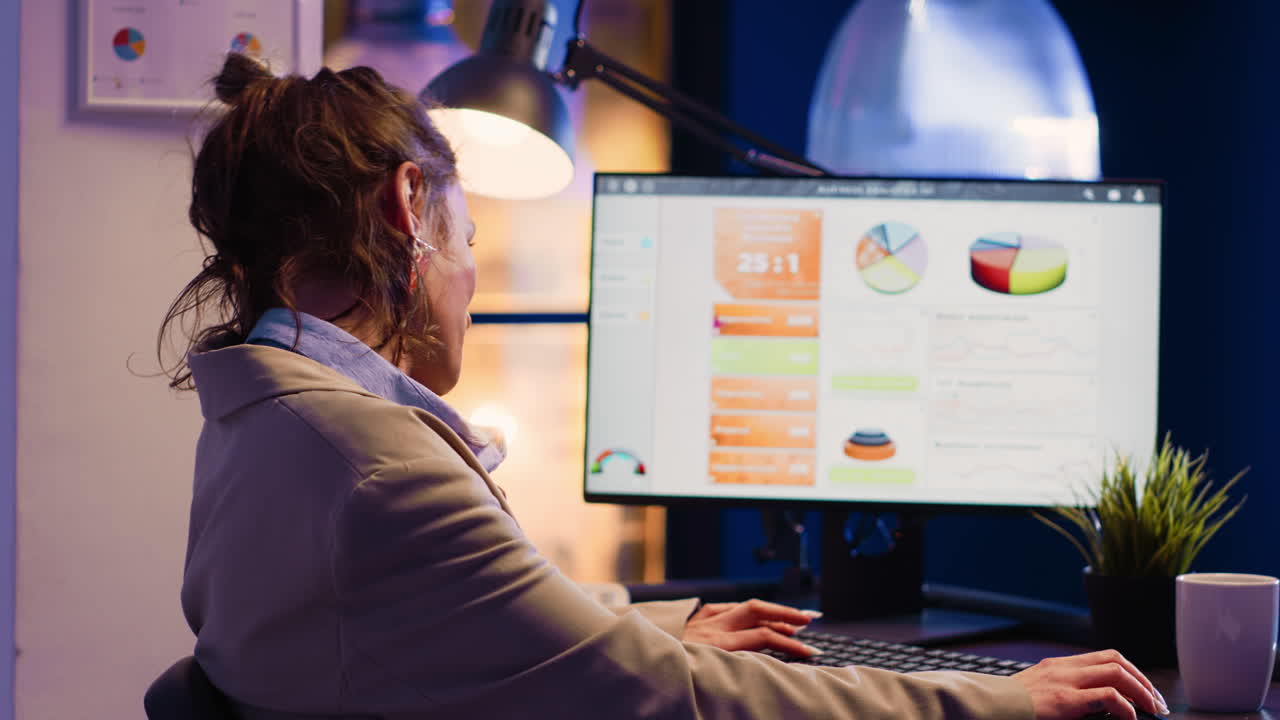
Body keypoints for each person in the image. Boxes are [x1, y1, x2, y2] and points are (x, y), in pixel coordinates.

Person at [161, 53, 1169, 720]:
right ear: (405, 204)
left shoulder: (264, 423)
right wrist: (1003, 702)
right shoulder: (375, 467)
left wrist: (641, 620)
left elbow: (434, 622)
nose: (467, 279)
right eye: (469, 239)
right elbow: (673, 696)